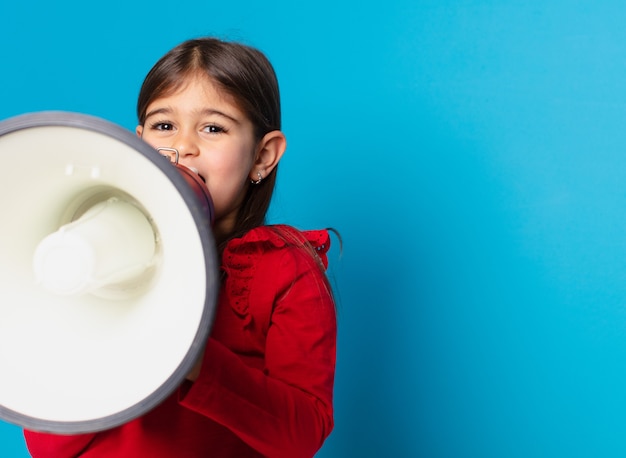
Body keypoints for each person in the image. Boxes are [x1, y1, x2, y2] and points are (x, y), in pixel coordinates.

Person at [24, 37, 337, 458]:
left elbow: (301, 436)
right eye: (164, 125)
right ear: (137, 143)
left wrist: (197, 362)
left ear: (263, 156)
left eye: (213, 128)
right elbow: (52, 448)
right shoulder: (91, 263)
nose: (183, 147)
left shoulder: (282, 271)